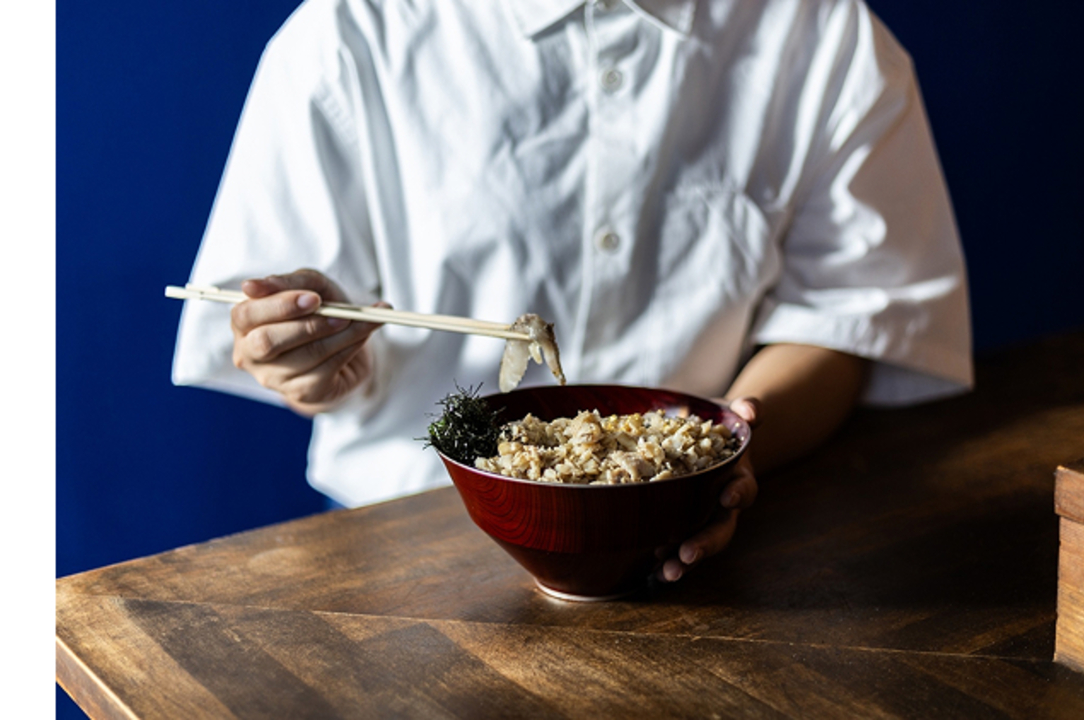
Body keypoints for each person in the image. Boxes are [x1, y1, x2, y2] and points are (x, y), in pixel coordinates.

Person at [172, 0, 973, 583]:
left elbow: (850, 316)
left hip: (698, 543)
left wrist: (725, 451)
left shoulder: (823, 34)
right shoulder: (348, 32)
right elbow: (280, 334)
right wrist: (306, 360)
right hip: (398, 549)